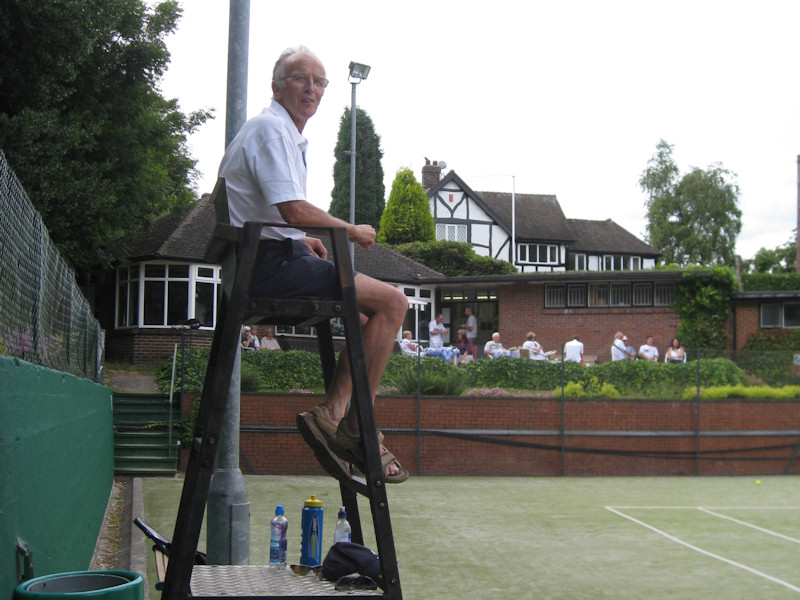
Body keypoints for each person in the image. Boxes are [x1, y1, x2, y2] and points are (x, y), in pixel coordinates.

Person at [218, 46, 409, 483]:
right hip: (267, 267)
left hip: (266, 256)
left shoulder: (279, 132)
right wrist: (350, 230)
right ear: (276, 87)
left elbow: (273, 216)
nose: (311, 87)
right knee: (395, 303)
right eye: (299, 78)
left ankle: (333, 413)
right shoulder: (271, 130)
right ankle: (356, 428)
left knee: (369, 314)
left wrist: (298, 238)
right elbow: (293, 211)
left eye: (318, 81)